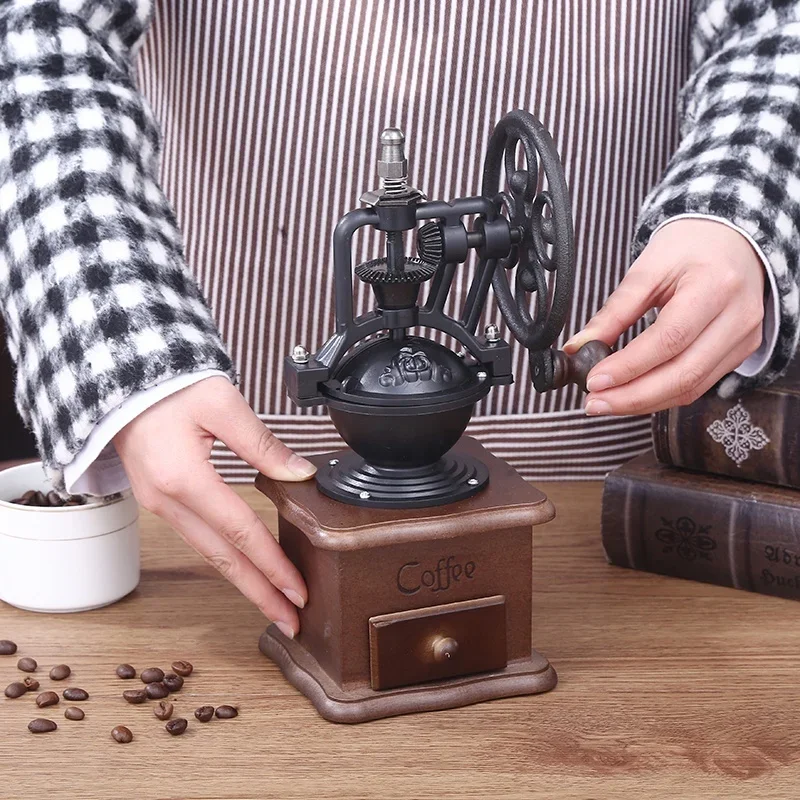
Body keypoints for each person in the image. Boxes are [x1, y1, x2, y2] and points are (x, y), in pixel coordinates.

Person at [1, 0, 798, 638]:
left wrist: (734, 211)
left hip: (620, 531)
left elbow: (777, 27)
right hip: (208, 481)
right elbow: (45, 40)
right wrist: (132, 355)